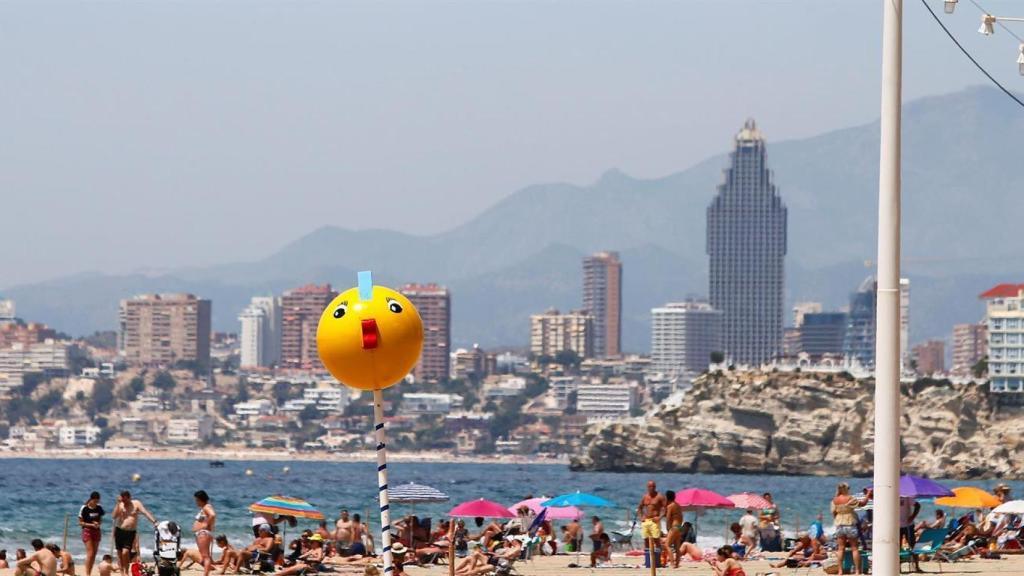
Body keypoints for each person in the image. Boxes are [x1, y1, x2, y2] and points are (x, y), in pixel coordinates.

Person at [114, 491, 157, 576]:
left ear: (129, 497)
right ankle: (122, 573)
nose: (124, 502)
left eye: (125, 500)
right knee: (119, 554)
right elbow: (114, 516)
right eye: (123, 500)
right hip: (119, 530)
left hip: (130, 532)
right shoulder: (120, 504)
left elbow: (145, 512)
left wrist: (154, 522)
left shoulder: (136, 503)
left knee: (125, 552)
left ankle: (126, 571)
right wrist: (118, 504)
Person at [832, 482, 864, 575]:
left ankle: (840, 571)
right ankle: (857, 571)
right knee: (854, 548)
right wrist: (868, 495)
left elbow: (834, 513)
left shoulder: (835, 500)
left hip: (839, 524)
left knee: (840, 548)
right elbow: (862, 504)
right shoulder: (850, 498)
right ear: (846, 489)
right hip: (850, 523)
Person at [80, 491, 105, 576]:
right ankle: (87, 574)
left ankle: (89, 572)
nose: (96, 503)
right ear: (91, 499)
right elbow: (81, 523)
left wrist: (98, 524)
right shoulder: (84, 508)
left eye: (97, 501)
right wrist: (91, 524)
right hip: (87, 531)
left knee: (94, 554)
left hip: (97, 531)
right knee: (90, 553)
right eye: (95, 501)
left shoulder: (99, 508)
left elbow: (100, 519)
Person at [637, 480, 667, 552]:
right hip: (646, 521)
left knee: (656, 539)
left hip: (655, 521)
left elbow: (666, 509)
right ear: (647, 487)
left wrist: (659, 517)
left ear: (655, 487)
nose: (652, 488)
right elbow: (639, 508)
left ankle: (657, 557)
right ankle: (648, 558)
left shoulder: (659, 496)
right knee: (646, 540)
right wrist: (641, 517)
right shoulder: (645, 497)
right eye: (650, 486)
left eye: (653, 486)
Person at [193, 490, 217, 576]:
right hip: (202, 533)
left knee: (205, 556)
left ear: (201, 499)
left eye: (197, 500)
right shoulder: (204, 508)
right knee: (205, 555)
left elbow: (212, 515)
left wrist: (205, 524)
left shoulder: (207, 507)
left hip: (203, 533)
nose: (196, 502)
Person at [899, 497, 922, 572]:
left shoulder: (906, 496)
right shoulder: (891, 495)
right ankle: (898, 567)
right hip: (896, 525)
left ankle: (917, 566)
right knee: (896, 547)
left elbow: (917, 505)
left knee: (913, 545)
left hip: (908, 525)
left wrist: (912, 517)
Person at [663, 490, 685, 567]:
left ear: (667, 497)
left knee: (667, 545)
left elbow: (668, 518)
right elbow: (681, 516)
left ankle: (672, 563)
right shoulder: (678, 505)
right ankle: (677, 563)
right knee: (677, 547)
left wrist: (668, 528)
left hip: (674, 526)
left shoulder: (670, 506)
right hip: (679, 526)